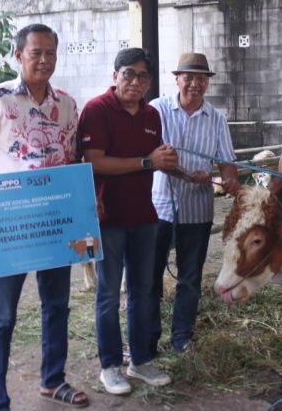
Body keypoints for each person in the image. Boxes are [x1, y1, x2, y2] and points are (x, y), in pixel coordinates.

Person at [0, 23, 88, 410]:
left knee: (57, 304)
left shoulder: (68, 105)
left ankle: (52, 380)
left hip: (56, 223)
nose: (44, 60)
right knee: (2, 316)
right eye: (35, 52)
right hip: (8, 227)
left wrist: (88, 205)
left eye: (50, 53)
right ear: (18, 55)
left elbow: (73, 161)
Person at [78, 47, 178, 395]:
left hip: (144, 216)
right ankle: (109, 365)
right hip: (107, 219)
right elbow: (94, 162)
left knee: (143, 291)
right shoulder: (96, 110)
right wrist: (149, 162)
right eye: (129, 74)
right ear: (115, 75)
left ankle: (140, 360)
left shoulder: (151, 116)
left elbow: (155, 159)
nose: (135, 81)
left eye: (143, 76)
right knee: (107, 293)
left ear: (150, 82)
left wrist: (176, 167)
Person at [149, 52, 241, 354]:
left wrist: (229, 181)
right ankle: (147, 340)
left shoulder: (216, 118)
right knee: (149, 277)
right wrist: (185, 173)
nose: (194, 84)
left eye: (201, 78)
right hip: (157, 208)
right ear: (176, 79)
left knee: (190, 278)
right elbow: (146, 155)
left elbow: (227, 163)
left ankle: (181, 338)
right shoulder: (156, 111)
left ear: (207, 82)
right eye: (188, 77)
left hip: (198, 212)